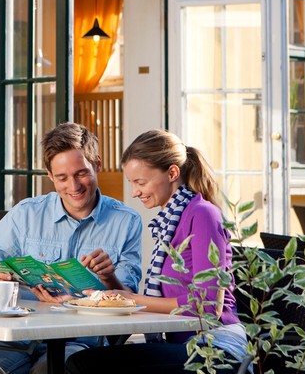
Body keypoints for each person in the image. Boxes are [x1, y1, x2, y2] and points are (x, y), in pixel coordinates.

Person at [0, 121, 143, 374]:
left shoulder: (126, 221)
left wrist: (108, 278)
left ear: (97, 164)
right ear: (49, 176)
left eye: (81, 173)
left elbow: (129, 303)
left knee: (50, 370)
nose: (74, 187)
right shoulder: (27, 214)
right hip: (18, 335)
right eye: (62, 178)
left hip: (80, 341)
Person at [64, 129, 247, 374]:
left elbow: (208, 306)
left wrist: (129, 300)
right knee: (85, 361)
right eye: (131, 182)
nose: (134, 192)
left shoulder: (203, 214)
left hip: (216, 348)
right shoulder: (170, 222)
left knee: (84, 364)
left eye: (140, 182)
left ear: (172, 173)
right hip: (182, 344)